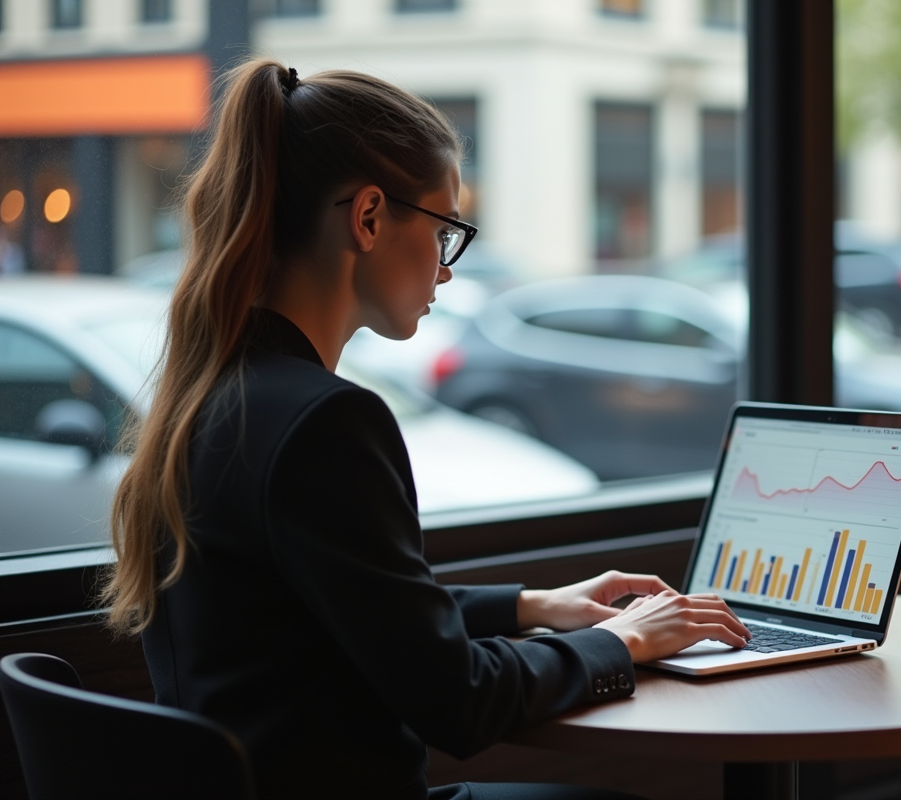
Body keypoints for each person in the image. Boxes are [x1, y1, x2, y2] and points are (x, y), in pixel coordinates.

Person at [101, 59, 750, 800]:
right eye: (445, 230)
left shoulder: (215, 397)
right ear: (369, 217)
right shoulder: (325, 421)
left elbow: (343, 614)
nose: (447, 271)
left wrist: (533, 606)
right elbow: (460, 701)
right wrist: (623, 640)